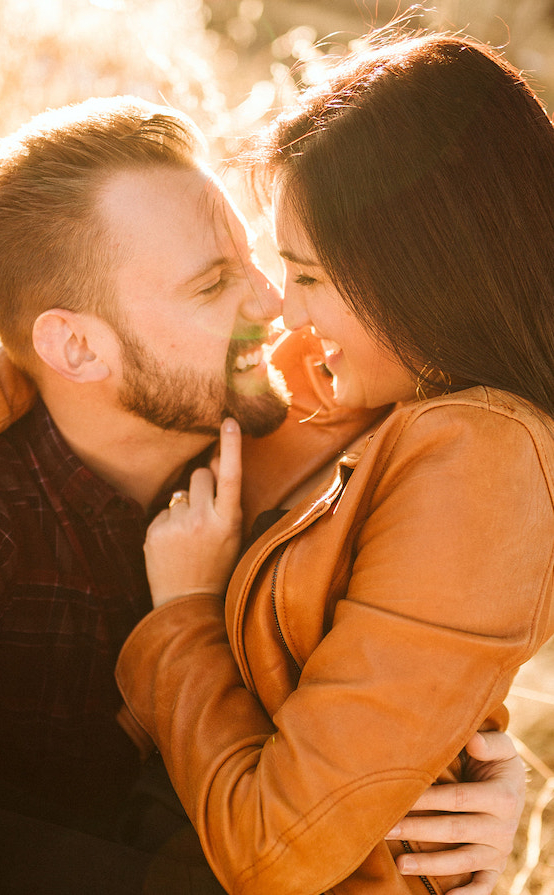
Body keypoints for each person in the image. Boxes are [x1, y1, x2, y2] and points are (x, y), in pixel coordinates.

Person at [0, 95, 527, 894]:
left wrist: (463, 771)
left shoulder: (317, 428)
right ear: (77, 346)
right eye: (212, 283)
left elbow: (398, 669)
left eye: (256, 261)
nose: (272, 303)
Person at [113, 33, 554, 894]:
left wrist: (187, 612)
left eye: (307, 276)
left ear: (421, 274)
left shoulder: (486, 455)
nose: (286, 308)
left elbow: (273, 853)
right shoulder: (378, 398)